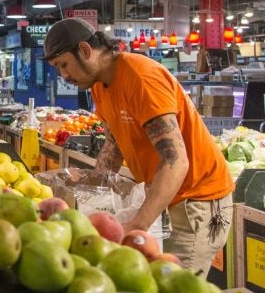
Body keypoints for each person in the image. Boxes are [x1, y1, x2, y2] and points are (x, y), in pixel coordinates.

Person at [43, 18, 233, 277]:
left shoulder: (141, 78)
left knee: (175, 283)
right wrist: (86, 188)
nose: (63, 75)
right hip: (165, 196)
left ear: (85, 50)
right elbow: (114, 143)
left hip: (197, 200)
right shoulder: (99, 85)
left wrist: (139, 224)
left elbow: (176, 160)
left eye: (63, 65)